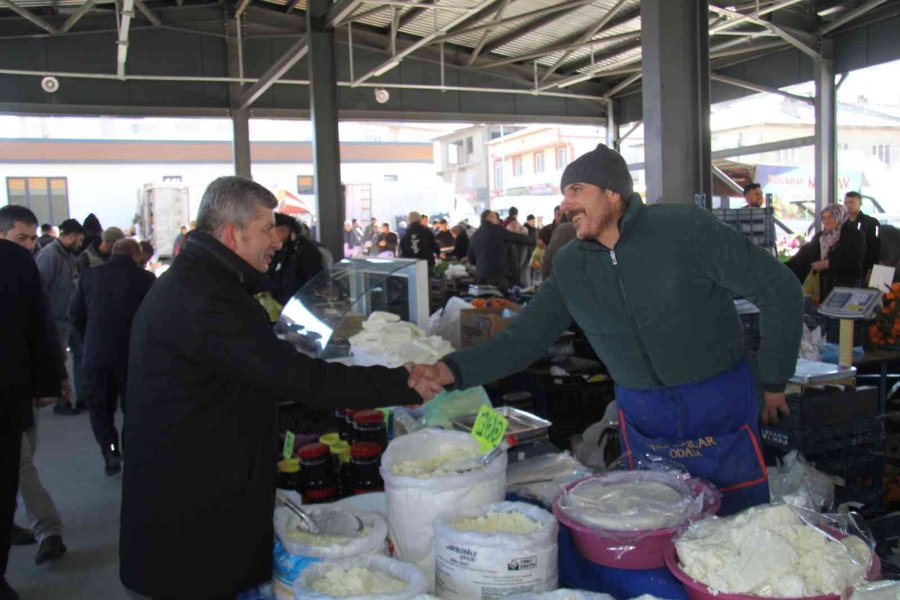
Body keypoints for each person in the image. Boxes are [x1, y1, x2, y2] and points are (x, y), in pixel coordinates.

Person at [409, 144, 803, 516]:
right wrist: (451, 371)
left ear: (613, 193)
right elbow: (524, 340)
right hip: (645, 415)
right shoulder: (570, 265)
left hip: (717, 404)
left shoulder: (685, 229)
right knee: (659, 525)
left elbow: (780, 290)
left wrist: (773, 379)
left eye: (577, 190)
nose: (566, 205)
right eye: (565, 193)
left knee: (737, 526)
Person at [119, 176, 425, 600]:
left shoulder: (200, 281)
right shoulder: (208, 298)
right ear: (232, 233)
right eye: (266, 229)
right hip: (195, 521)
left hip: (191, 495)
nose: (277, 241)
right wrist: (405, 381)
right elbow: (303, 379)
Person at [0, 206, 68, 567]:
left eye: (31, 238)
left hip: (20, 390)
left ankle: (44, 529)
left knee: (22, 465)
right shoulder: (21, 267)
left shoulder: (26, 267)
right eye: (20, 238)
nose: (29, 246)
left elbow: (42, 330)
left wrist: (52, 379)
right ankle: (47, 530)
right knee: (21, 466)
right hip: (15, 391)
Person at [69, 238, 155, 476]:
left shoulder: (89, 277)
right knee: (134, 409)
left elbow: (74, 314)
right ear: (136, 255)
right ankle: (132, 453)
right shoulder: (146, 280)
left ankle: (110, 451)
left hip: (97, 355)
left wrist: (87, 341)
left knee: (101, 410)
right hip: (133, 357)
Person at [35, 218, 85, 415]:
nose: (81, 244)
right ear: (71, 237)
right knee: (59, 361)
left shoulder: (67, 256)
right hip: (55, 320)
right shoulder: (49, 256)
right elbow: (38, 288)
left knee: (78, 355)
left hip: (68, 318)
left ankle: (80, 398)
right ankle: (61, 402)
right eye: (79, 240)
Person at [786, 203, 866, 302]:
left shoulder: (855, 235)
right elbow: (802, 257)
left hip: (846, 288)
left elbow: (855, 262)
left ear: (839, 216)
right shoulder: (821, 237)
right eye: (824, 218)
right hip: (825, 289)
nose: (826, 221)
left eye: (830, 217)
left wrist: (828, 264)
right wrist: (782, 268)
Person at [467, 210, 535, 293]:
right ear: (490, 218)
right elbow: (515, 238)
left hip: (480, 276)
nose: (498, 220)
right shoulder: (497, 229)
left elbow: (471, 259)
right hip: (497, 275)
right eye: (496, 217)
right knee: (499, 302)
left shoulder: (475, 235)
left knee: (483, 303)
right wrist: (534, 241)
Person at [267, 212, 325, 305]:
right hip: (282, 305)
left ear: (285, 230)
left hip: (301, 305)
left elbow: (315, 280)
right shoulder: (280, 249)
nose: (269, 235)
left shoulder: (306, 249)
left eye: (272, 230)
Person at [844, 191, 880, 276]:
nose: (848, 205)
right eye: (846, 202)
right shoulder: (841, 223)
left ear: (860, 204)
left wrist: (872, 267)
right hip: (845, 269)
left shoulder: (871, 222)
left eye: (852, 202)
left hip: (865, 267)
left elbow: (875, 246)